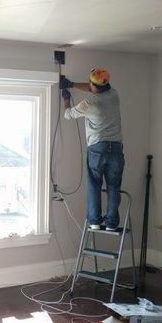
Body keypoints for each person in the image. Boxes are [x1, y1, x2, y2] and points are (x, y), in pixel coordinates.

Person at [61, 68, 124, 231]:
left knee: (94, 185)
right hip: (116, 148)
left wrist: (66, 99)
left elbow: (68, 115)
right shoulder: (114, 94)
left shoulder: (90, 103)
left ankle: (95, 222)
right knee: (113, 186)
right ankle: (111, 223)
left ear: (93, 86)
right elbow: (92, 87)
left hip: (98, 148)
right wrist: (72, 84)